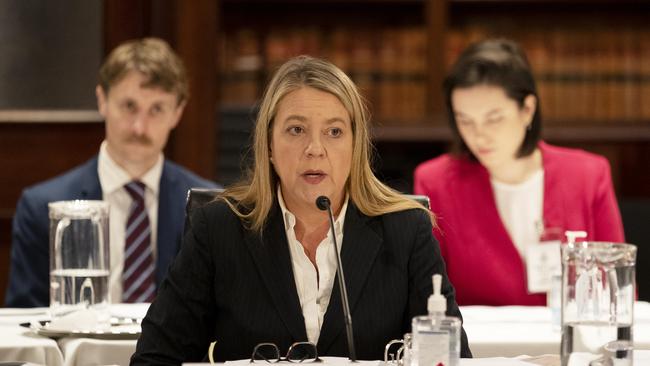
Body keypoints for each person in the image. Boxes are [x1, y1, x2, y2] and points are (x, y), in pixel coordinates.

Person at [131, 56, 471, 364]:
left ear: (355, 146)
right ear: (268, 145)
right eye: (296, 130)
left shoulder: (406, 231)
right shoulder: (217, 229)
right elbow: (154, 358)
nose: (315, 149)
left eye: (334, 132)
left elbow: (451, 360)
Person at [6, 37, 219, 307]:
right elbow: (24, 326)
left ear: (177, 113)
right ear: (102, 100)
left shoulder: (211, 208)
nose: (140, 127)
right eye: (129, 106)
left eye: (157, 109)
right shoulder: (40, 208)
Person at [414, 39, 625, 306]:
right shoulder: (436, 183)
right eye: (464, 120)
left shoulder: (588, 175)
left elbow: (616, 290)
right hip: (480, 344)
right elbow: (428, 294)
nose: (479, 135)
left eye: (494, 119)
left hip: (573, 343)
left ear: (527, 110)